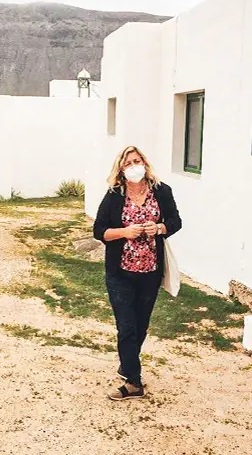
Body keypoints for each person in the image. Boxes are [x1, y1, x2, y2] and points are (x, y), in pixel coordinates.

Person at [93, 146, 182, 400]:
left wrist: (160, 228)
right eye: (128, 162)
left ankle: (128, 362)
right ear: (121, 169)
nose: (134, 165)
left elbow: (176, 222)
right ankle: (133, 382)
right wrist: (124, 232)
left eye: (137, 160)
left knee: (141, 325)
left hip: (150, 272)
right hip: (120, 273)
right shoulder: (114, 195)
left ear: (145, 162)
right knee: (127, 326)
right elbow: (99, 230)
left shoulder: (162, 191)